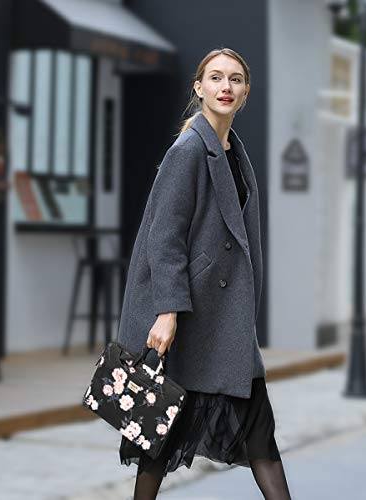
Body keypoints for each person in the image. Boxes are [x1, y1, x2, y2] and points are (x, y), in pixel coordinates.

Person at [116, 47, 293, 500]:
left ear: (246, 92)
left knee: (259, 433)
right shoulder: (189, 150)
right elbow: (164, 237)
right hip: (190, 319)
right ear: (199, 88)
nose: (225, 87)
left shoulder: (233, 151)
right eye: (215, 78)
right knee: (157, 437)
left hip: (222, 322)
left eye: (235, 79)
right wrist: (167, 311)